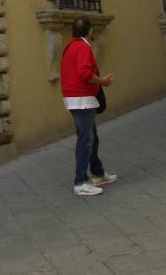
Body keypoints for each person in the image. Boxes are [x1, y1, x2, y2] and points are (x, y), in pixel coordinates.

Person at [60, 16, 116, 196]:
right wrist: (103, 82)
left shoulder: (69, 47)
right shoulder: (83, 47)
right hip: (82, 99)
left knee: (92, 136)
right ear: (90, 31)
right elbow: (84, 73)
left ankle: (98, 173)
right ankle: (80, 182)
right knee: (86, 140)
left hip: (74, 98)